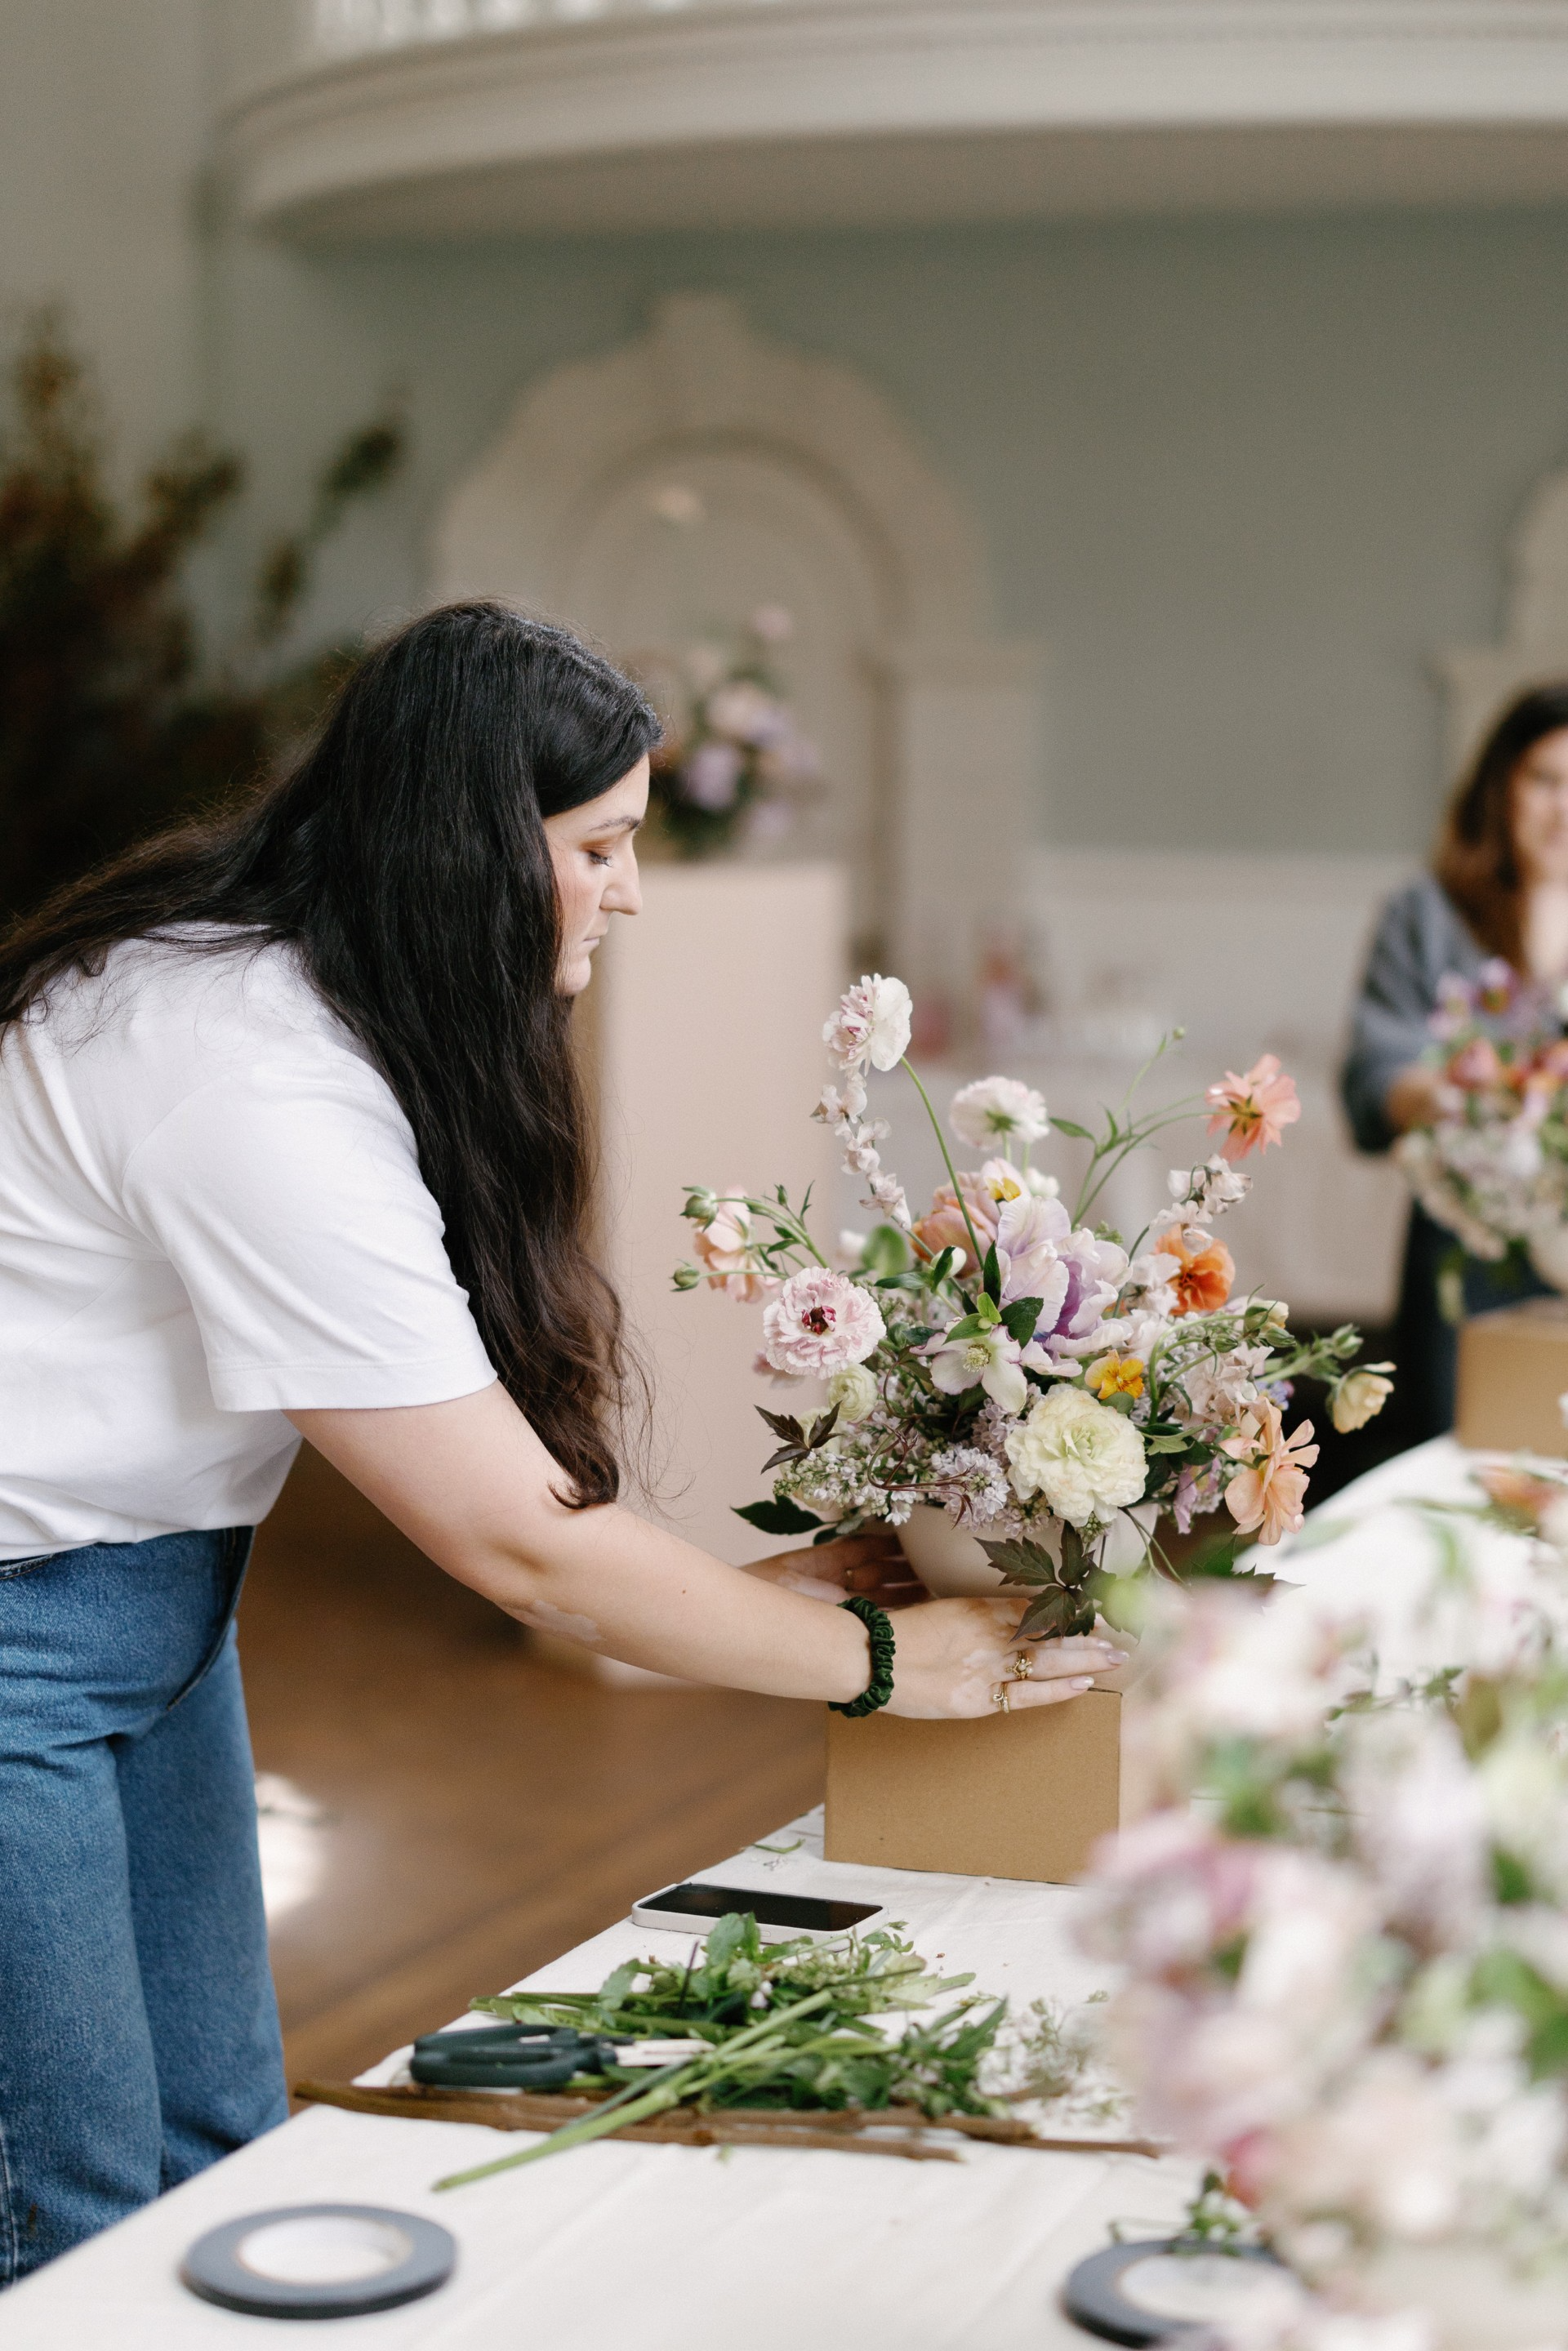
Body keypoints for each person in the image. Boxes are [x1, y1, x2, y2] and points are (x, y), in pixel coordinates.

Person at [0, 602, 1120, 2281]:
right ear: (468, 848)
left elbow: (493, 1481)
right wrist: (885, 1661)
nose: (633, 888)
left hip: (151, 1606)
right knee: (72, 2206)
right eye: (601, 845)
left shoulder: (303, 1006)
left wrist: (758, 1589)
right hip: (26, 1629)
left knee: (210, 2152)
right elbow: (514, 1541)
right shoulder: (244, 1073)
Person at [1343, 682, 1568, 1439]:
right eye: (1545, 780)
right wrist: (1457, 1099)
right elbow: (1377, 1069)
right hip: (1465, 1244)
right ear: (1500, 785)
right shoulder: (1428, 914)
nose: (1563, 808)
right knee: (1456, 1448)